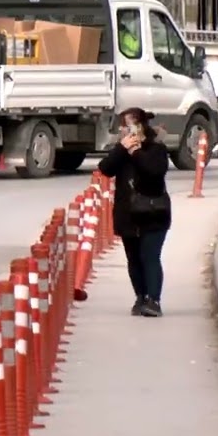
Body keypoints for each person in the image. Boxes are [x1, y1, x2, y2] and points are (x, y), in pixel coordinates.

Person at [97, 107, 171, 317]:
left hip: (153, 212)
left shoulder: (156, 148)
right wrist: (122, 149)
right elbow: (105, 168)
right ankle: (140, 296)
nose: (126, 131)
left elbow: (154, 171)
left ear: (141, 127)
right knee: (134, 258)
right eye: (123, 126)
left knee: (150, 256)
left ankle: (154, 300)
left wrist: (136, 152)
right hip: (128, 214)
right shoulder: (121, 151)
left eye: (130, 125)